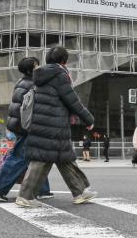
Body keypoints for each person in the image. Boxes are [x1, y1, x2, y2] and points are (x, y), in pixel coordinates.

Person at [17, 46, 96, 207]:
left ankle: (80, 192)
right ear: (63, 61)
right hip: (54, 125)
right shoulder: (59, 75)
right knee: (41, 160)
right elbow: (72, 100)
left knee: (64, 159)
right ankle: (25, 196)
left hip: (44, 123)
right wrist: (88, 119)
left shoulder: (41, 75)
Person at [0, 57, 53, 202]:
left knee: (36, 158)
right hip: (28, 127)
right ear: (31, 69)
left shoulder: (22, 82)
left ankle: (43, 190)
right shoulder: (32, 84)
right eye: (37, 66)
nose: (39, 68)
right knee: (20, 158)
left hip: (22, 126)